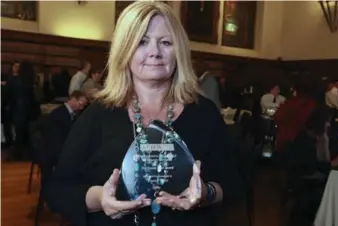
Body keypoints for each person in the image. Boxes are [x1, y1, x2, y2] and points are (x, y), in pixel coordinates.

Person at [45, 2, 238, 226]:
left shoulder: (204, 113)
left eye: (165, 42)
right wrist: (101, 199)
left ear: (179, 52)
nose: (154, 52)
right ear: (124, 51)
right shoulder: (98, 114)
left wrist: (206, 193)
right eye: (141, 42)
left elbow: (231, 183)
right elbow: (58, 189)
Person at [43, 90, 88, 166]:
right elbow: (57, 139)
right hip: (55, 152)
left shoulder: (73, 115)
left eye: (83, 106)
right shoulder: (58, 114)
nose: (81, 108)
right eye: (80, 104)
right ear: (73, 99)